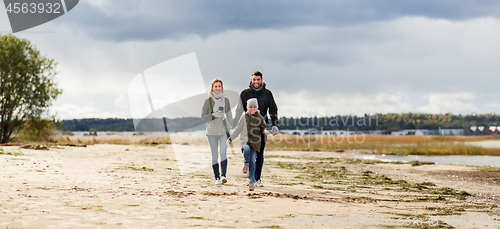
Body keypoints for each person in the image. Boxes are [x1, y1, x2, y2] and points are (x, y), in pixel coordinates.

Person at [233, 71, 279, 187]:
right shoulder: (245, 94)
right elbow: (239, 111)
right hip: (248, 130)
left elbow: (273, 109)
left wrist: (275, 124)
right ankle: (250, 176)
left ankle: (257, 179)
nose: (256, 82)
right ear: (251, 80)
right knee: (249, 152)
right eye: (254, 79)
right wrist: (235, 126)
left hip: (262, 129)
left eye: (258, 80)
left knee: (260, 155)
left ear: (262, 80)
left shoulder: (268, 94)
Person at [227, 98, 270, 191]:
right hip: (245, 141)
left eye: (254, 107)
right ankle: (246, 163)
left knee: (253, 161)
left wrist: (266, 131)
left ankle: (251, 181)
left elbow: (264, 126)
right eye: (251, 107)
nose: (252, 108)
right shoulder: (244, 117)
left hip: (255, 143)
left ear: (257, 107)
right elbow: (237, 129)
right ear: (247, 108)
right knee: (246, 150)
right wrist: (230, 138)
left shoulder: (260, 117)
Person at [201, 79, 234, 185]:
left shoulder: (226, 100)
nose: (218, 88)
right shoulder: (208, 101)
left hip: (224, 130)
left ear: (222, 87)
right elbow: (203, 116)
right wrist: (213, 115)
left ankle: (224, 175)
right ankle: (217, 178)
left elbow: (229, 115)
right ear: (212, 88)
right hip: (211, 132)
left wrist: (234, 128)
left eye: (219, 86)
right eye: (216, 86)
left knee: (223, 153)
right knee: (214, 155)